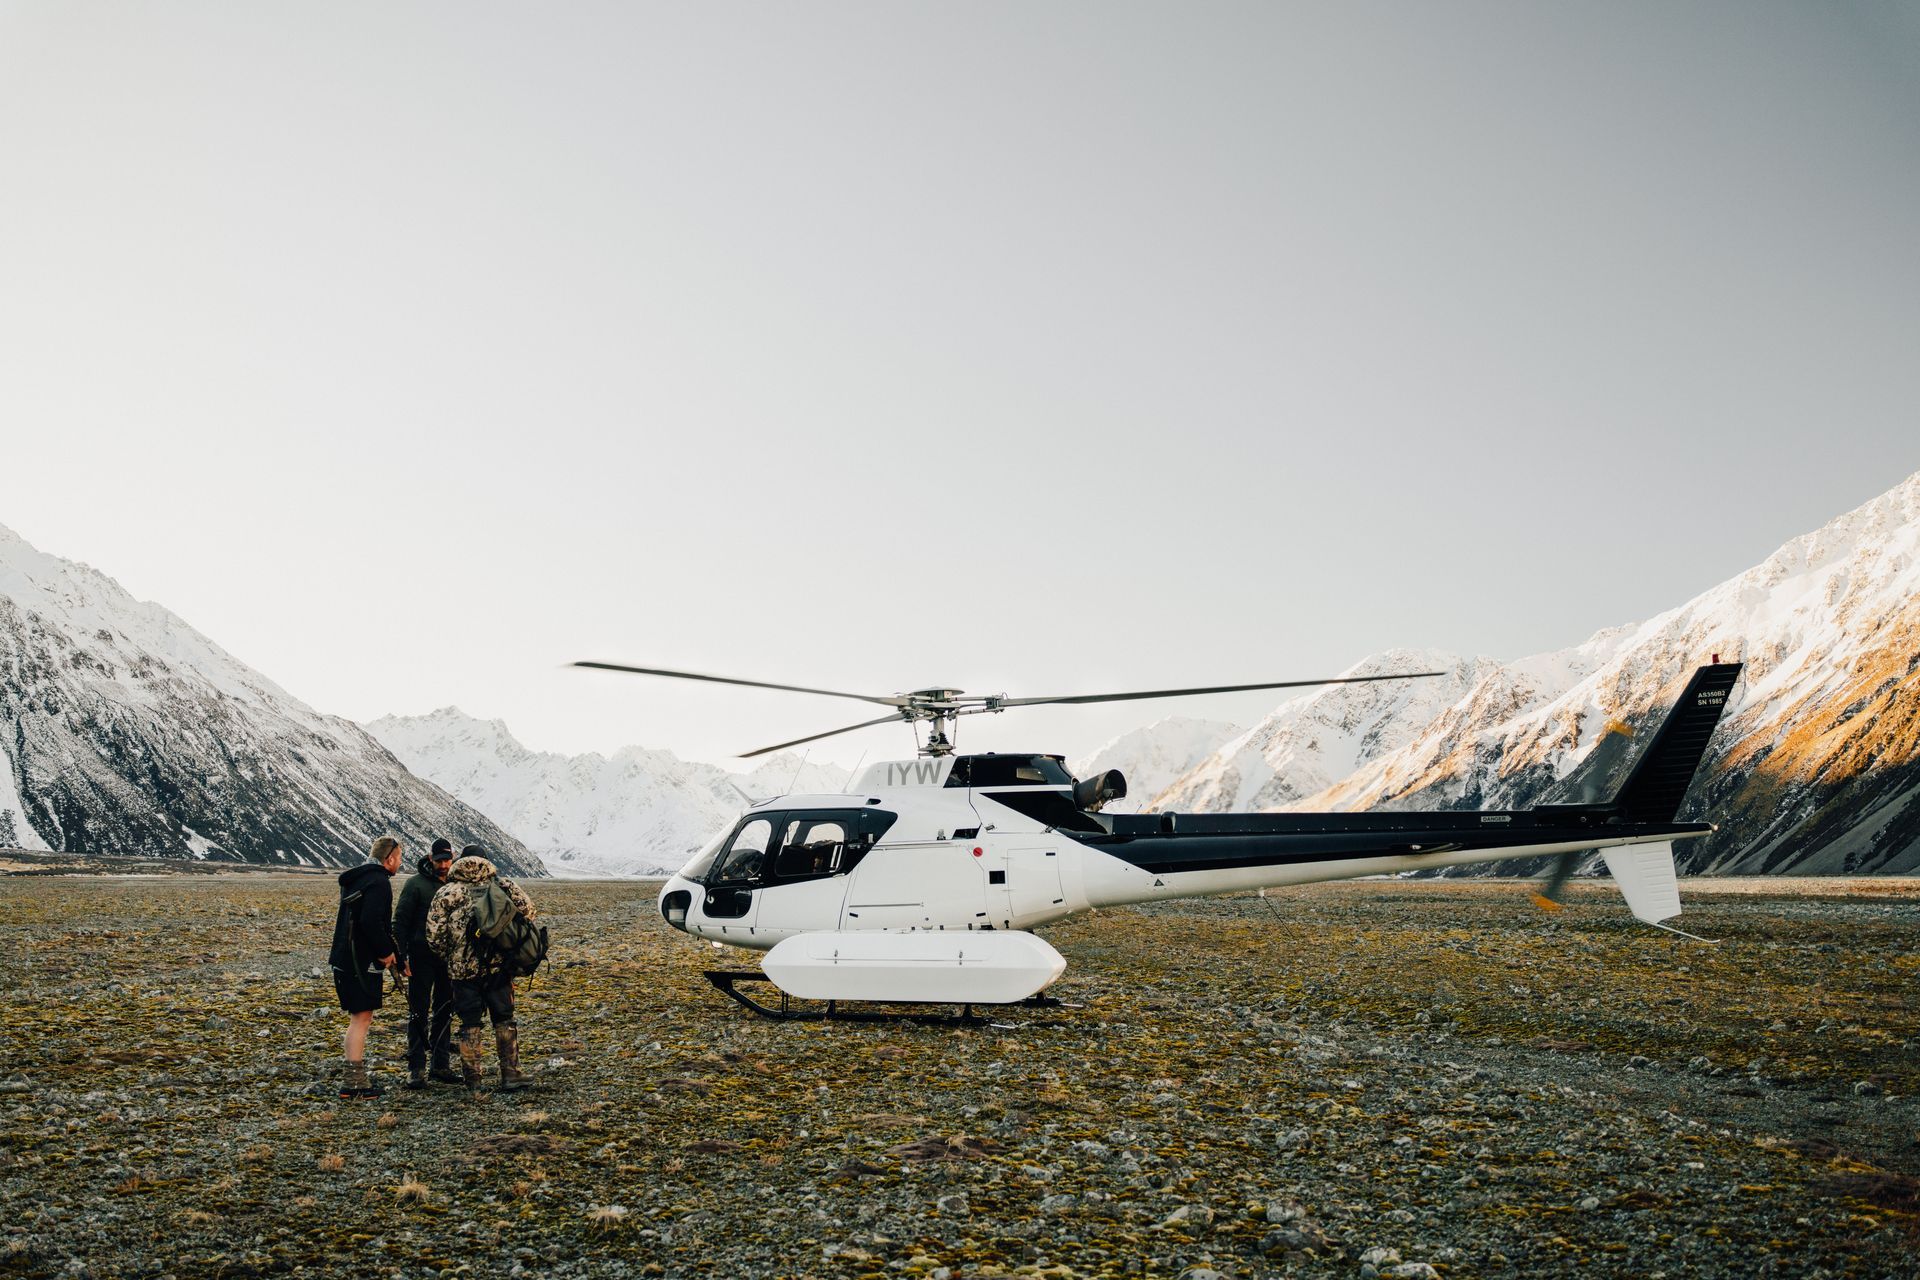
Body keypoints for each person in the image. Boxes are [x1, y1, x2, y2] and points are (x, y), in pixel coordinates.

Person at [426, 845, 538, 1092]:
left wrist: (452, 956)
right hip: (498, 967)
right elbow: (529, 912)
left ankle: (473, 1081)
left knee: (469, 1023)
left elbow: (434, 935)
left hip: (462, 970)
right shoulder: (503, 885)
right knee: (504, 1019)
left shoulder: (447, 891)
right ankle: (510, 1073)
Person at [329, 835, 405, 1099]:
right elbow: (372, 922)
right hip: (359, 962)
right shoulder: (379, 882)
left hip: (343, 958)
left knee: (358, 1018)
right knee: (361, 1019)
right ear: (390, 858)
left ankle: (354, 1080)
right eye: (399, 858)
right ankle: (354, 1082)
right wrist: (385, 953)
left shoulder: (358, 878)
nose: (400, 864)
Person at [391, 837, 460, 1088]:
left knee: (444, 1011)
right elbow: (400, 923)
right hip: (420, 958)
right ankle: (416, 1068)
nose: (444, 865)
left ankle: (440, 1066)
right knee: (418, 1011)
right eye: (439, 860)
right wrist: (401, 957)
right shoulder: (415, 885)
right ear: (430, 859)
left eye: (447, 860)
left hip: (448, 959)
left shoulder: (456, 884)